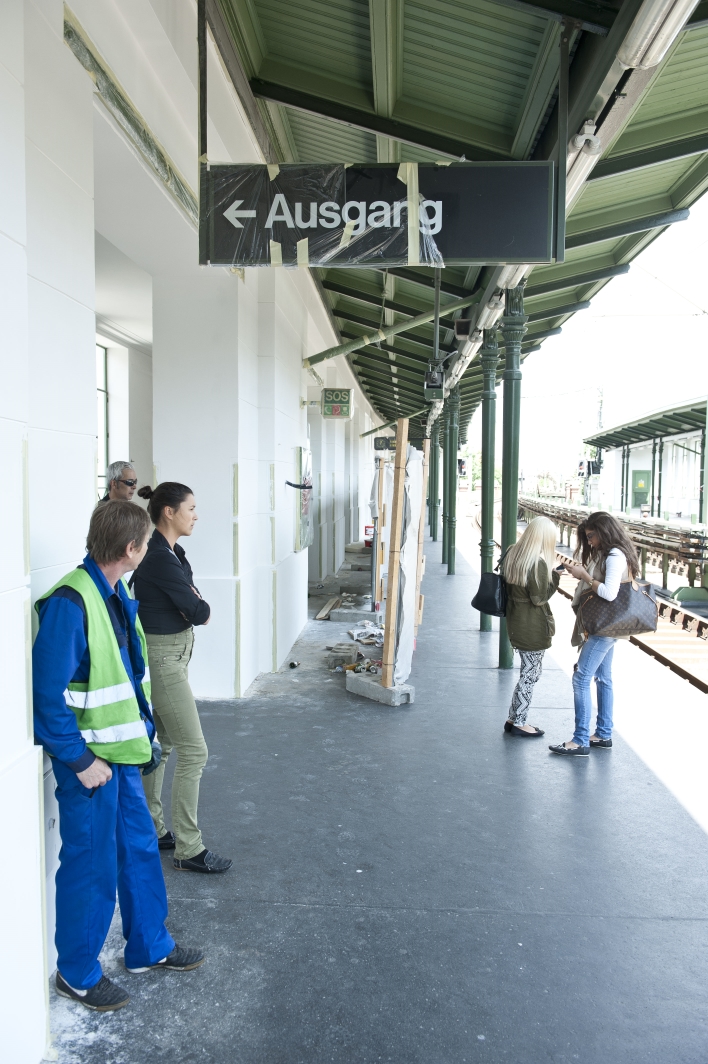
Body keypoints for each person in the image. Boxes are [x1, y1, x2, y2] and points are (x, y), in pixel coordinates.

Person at [33, 501, 205, 1012]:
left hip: (123, 756)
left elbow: (125, 680)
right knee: (91, 868)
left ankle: (149, 947)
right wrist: (80, 760)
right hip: (91, 767)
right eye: (146, 543)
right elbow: (47, 695)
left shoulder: (113, 592)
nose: (149, 549)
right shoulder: (72, 601)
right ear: (130, 549)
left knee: (140, 851)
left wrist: (144, 739)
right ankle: (78, 974)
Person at [133, 482, 231, 874]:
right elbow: (198, 609)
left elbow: (193, 603)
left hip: (172, 656)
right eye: (190, 508)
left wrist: (194, 603)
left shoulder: (172, 553)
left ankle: (152, 827)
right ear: (168, 512)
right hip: (165, 659)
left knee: (167, 742)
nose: (195, 515)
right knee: (195, 750)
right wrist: (196, 604)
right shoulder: (158, 557)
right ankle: (189, 847)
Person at [549, 511, 640, 757]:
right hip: (607, 625)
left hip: (605, 627)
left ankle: (580, 740)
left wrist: (586, 577)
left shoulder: (614, 556)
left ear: (604, 532)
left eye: (591, 536)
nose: (589, 541)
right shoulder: (614, 553)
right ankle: (603, 734)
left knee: (581, 678)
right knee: (603, 677)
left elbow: (609, 593)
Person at [502, 516, 560, 738]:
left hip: (516, 621)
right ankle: (519, 721)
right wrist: (555, 578)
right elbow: (539, 598)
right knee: (530, 675)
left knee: (527, 672)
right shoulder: (537, 563)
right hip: (532, 626)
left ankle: (513, 717)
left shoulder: (512, 553)